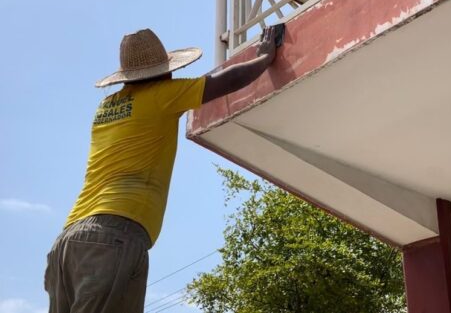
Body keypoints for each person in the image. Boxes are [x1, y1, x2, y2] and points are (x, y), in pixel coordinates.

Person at [44, 27, 277, 312]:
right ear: (162, 72)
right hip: (114, 233)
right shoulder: (161, 95)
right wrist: (263, 59)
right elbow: (222, 81)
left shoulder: (106, 106)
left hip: (68, 242)